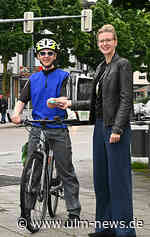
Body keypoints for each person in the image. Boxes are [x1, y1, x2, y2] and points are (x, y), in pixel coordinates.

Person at [54, 25, 136, 237]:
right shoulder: (101, 68)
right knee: (101, 180)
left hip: (115, 128)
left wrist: (117, 128)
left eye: (109, 40)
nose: (105, 44)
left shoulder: (123, 65)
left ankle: (124, 232)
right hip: (100, 127)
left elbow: (127, 100)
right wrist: (70, 103)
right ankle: (105, 228)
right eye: (101, 41)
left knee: (119, 182)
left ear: (115, 42)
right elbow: (95, 102)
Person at [11, 38, 81, 226]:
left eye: (50, 53)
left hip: (57, 127)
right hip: (37, 127)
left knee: (66, 170)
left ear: (55, 56)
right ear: (38, 57)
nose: (46, 56)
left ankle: (73, 212)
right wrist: (16, 114)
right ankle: (27, 209)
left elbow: (66, 97)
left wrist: (59, 101)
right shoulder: (33, 78)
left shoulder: (63, 75)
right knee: (32, 170)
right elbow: (22, 99)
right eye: (42, 53)